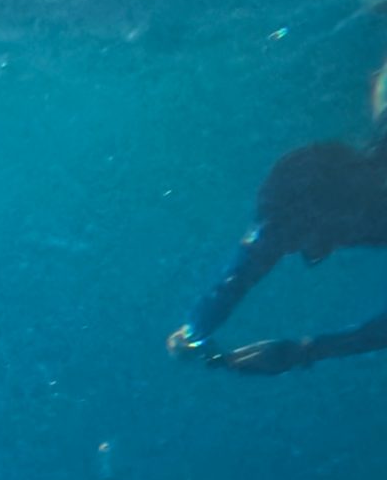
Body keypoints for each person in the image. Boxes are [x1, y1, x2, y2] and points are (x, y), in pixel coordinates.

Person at [166, 97, 387, 375]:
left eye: (303, 241)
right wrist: (195, 329)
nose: (312, 255)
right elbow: (247, 265)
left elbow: (249, 264)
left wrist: (304, 351)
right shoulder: (354, 194)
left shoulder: (364, 209)